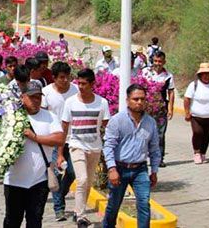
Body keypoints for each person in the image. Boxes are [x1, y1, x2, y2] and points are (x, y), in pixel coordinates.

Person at [3, 81, 65, 228]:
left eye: (39, 97)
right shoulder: (12, 117)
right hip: (14, 181)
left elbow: (59, 138)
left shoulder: (49, 116)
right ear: (22, 97)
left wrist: (35, 137)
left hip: (39, 181)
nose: (36, 100)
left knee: (35, 220)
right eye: (32, 97)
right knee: (12, 220)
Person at [102, 83, 160, 228]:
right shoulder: (117, 120)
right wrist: (112, 169)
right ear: (128, 100)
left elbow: (154, 149)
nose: (139, 102)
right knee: (113, 207)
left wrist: (154, 171)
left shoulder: (150, 123)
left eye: (142, 99)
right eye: (135, 99)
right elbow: (108, 146)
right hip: (119, 169)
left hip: (140, 170)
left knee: (144, 205)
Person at [60, 68, 110, 227]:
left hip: (94, 147)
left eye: (84, 83)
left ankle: (77, 211)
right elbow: (64, 128)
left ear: (92, 84)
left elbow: (107, 125)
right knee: (81, 179)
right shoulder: (70, 102)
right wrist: (60, 153)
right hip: (76, 146)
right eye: (78, 83)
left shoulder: (102, 103)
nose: (80, 86)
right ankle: (81, 216)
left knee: (88, 182)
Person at [41, 62, 79, 222]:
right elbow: (43, 116)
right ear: (54, 78)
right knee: (56, 174)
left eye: (67, 77)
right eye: (61, 77)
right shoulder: (46, 93)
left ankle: (60, 195)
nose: (65, 80)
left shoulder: (76, 90)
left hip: (74, 138)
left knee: (72, 172)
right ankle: (59, 209)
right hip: (55, 139)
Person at [141, 51, 175, 167]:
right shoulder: (145, 72)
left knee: (160, 134)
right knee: (144, 133)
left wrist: (170, 108)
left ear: (164, 62)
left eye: (160, 61)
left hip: (161, 109)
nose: (157, 63)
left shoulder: (168, 76)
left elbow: (171, 92)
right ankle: (142, 158)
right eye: (155, 61)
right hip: (146, 109)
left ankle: (159, 159)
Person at [183, 63, 209, 164]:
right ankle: (197, 152)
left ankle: (203, 153)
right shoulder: (194, 85)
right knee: (198, 133)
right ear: (200, 75)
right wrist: (187, 112)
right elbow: (187, 99)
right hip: (196, 116)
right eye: (205, 74)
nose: (207, 76)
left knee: (207, 135)